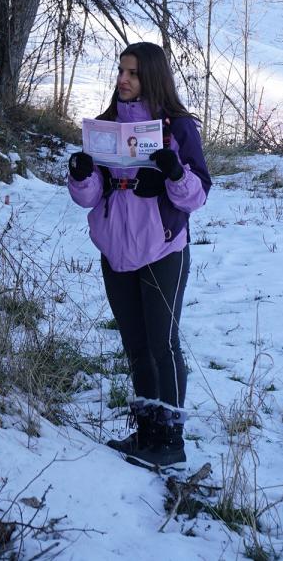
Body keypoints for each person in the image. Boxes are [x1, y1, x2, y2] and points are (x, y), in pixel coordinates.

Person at [67, 42, 211, 470]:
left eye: (132, 73)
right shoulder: (106, 125)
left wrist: (172, 174)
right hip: (115, 250)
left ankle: (171, 439)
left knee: (162, 343)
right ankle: (147, 430)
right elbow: (92, 195)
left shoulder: (178, 128)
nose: (123, 80)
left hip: (163, 247)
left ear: (151, 77)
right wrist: (80, 176)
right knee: (134, 344)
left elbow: (197, 196)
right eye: (121, 72)